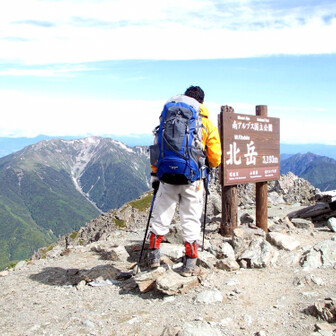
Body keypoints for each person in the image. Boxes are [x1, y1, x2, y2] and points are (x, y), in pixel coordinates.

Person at [149, 86, 222, 276]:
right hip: (192, 179)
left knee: (161, 215)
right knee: (190, 218)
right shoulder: (204, 122)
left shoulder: (167, 116)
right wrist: (208, 164)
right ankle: (189, 263)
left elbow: (157, 147)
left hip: (166, 177)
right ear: (201, 103)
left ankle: (154, 256)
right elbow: (215, 157)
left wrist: (156, 174)